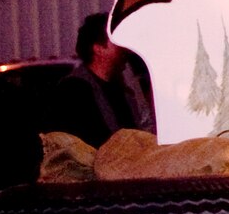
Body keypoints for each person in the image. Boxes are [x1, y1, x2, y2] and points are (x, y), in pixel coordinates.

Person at [42, 14, 155, 147]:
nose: (126, 48)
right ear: (98, 49)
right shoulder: (74, 91)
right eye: (117, 41)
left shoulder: (124, 89)